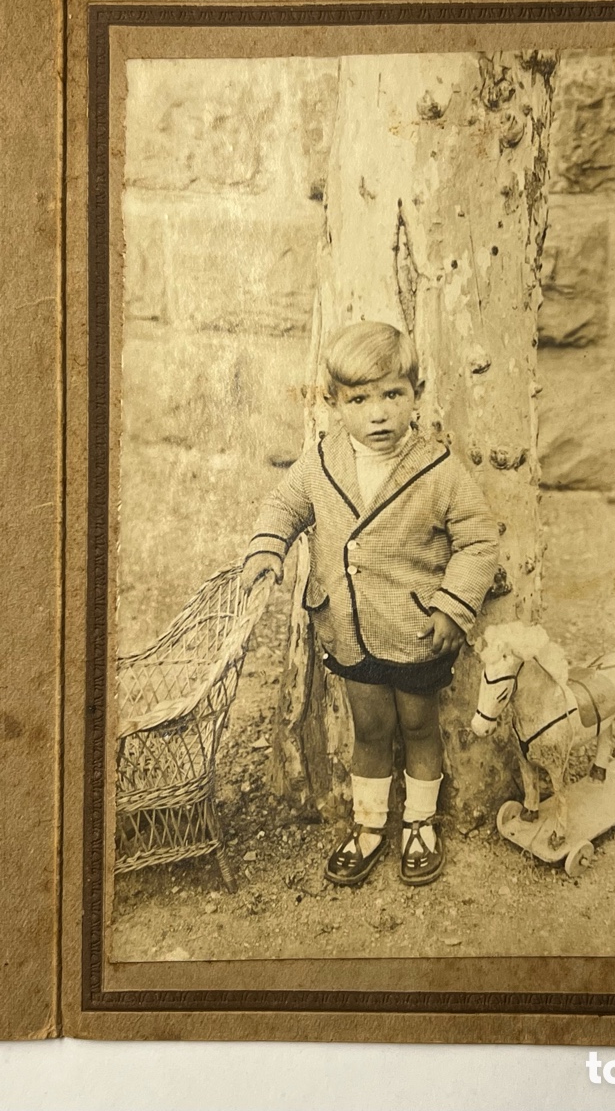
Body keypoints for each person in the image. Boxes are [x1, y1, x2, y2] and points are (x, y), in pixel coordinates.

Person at [241, 321, 499, 887]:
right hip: (349, 627)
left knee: (419, 723)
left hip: (414, 630)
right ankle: (369, 825)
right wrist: (268, 548)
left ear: (416, 395)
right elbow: (285, 505)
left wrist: (453, 606)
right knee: (372, 727)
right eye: (360, 399)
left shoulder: (438, 470)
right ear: (334, 404)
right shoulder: (321, 461)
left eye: (393, 395)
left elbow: (479, 540)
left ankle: (421, 823)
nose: (378, 413)